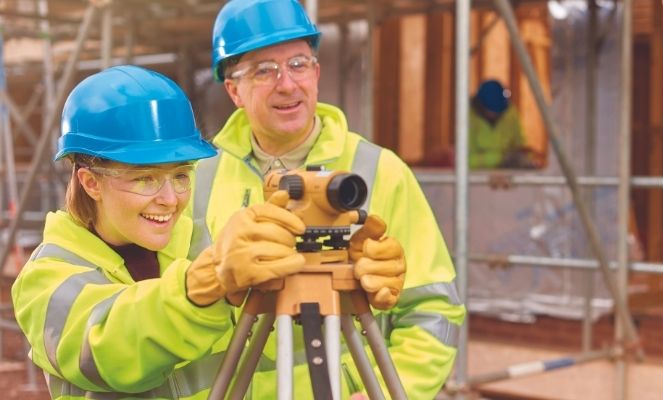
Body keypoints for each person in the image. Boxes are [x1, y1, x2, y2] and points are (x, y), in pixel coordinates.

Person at [200, 0, 463, 398]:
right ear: (234, 90)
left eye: (298, 64)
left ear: (317, 73)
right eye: (264, 70)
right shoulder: (196, 177)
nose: (286, 84)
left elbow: (434, 310)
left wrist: (396, 391)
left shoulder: (378, 171)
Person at [12, 66, 313, 398]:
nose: (170, 200)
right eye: (146, 178)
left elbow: (275, 353)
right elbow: (110, 346)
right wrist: (199, 289)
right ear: (91, 182)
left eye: (181, 175)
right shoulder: (46, 277)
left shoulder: (203, 243)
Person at [468, 79, 536, 169]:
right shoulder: (468, 118)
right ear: (481, 105)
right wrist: (500, 158)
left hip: (508, 176)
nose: (496, 114)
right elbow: (466, 160)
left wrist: (524, 158)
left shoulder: (510, 113)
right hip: (477, 178)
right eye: (492, 110)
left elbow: (519, 144)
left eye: (499, 110)